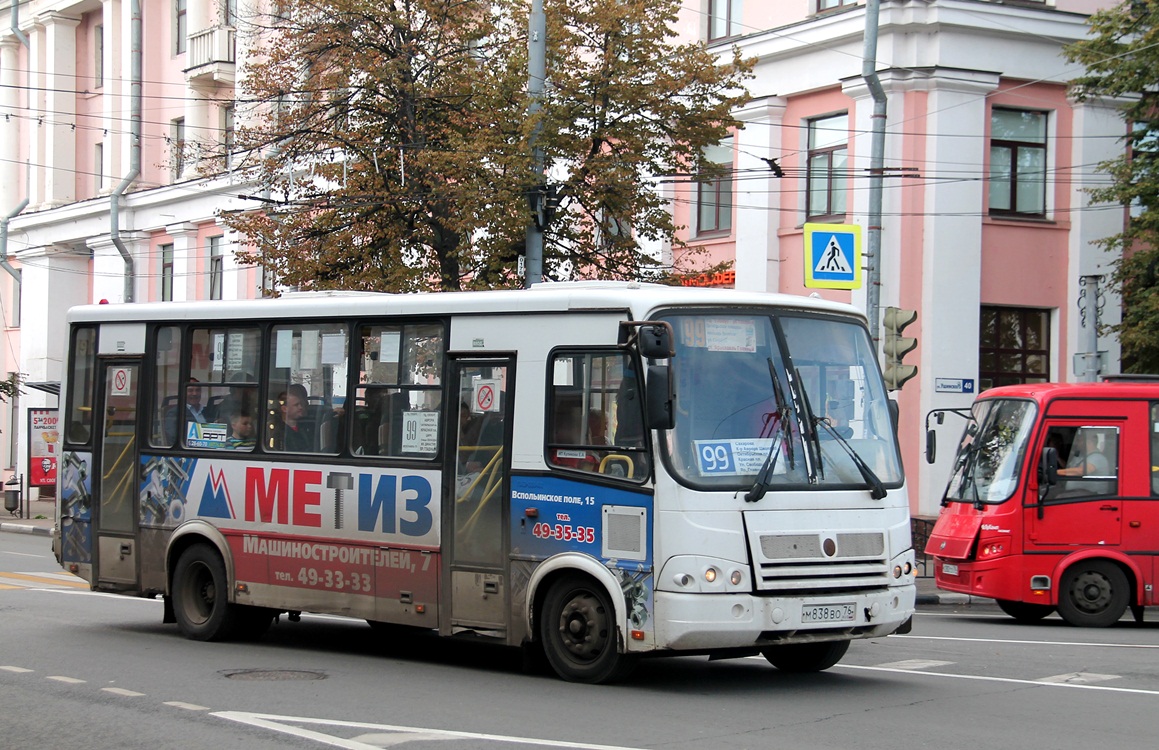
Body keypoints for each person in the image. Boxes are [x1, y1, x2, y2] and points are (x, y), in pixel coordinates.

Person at [274, 383, 314, 452]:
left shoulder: (304, 427)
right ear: (284, 409)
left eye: (300, 404)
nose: (300, 407)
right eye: (296, 405)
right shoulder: (279, 433)